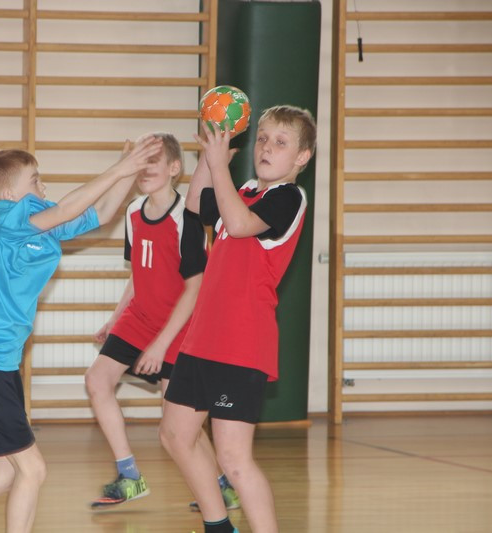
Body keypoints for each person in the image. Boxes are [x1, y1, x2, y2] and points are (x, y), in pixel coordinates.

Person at [0, 136, 163, 533]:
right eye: (35, 180)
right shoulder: (3, 217)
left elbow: (100, 213)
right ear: (10, 195)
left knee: (3, 475)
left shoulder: (36, 228)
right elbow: (66, 208)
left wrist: (128, 173)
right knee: (33, 470)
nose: (42, 186)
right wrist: (120, 169)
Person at [159, 105, 316, 533]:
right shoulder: (244, 189)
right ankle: (218, 526)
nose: (266, 147)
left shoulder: (289, 197)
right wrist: (211, 159)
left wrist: (217, 168)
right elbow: (197, 204)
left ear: (302, 157)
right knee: (175, 435)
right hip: (202, 338)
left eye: (280, 143)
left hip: (241, 343)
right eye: (262, 138)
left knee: (233, 458)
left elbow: (239, 223)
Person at [84, 132, 240, 510]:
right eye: (142, 160)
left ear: (174, 168)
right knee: (97, 380)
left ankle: (222, 484)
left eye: (154, 160)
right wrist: (115, 318)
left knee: (181, 425)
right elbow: (138, 272)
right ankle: (129, 476)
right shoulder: (133, 212)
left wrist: (159, 344)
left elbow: (194, 288)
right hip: (140, 317)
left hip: (182, 326)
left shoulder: (187, 218)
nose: (145, 168)